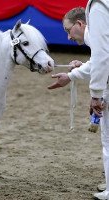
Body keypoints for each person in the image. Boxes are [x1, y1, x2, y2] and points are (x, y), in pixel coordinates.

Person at [47, 2, 109, 199]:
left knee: (108, 139)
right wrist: (74, 74)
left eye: (68, 30)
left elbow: (102, 58)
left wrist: (97, 96)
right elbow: (99, 61)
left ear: (80, 24)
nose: (68, 37)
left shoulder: (98, 6)